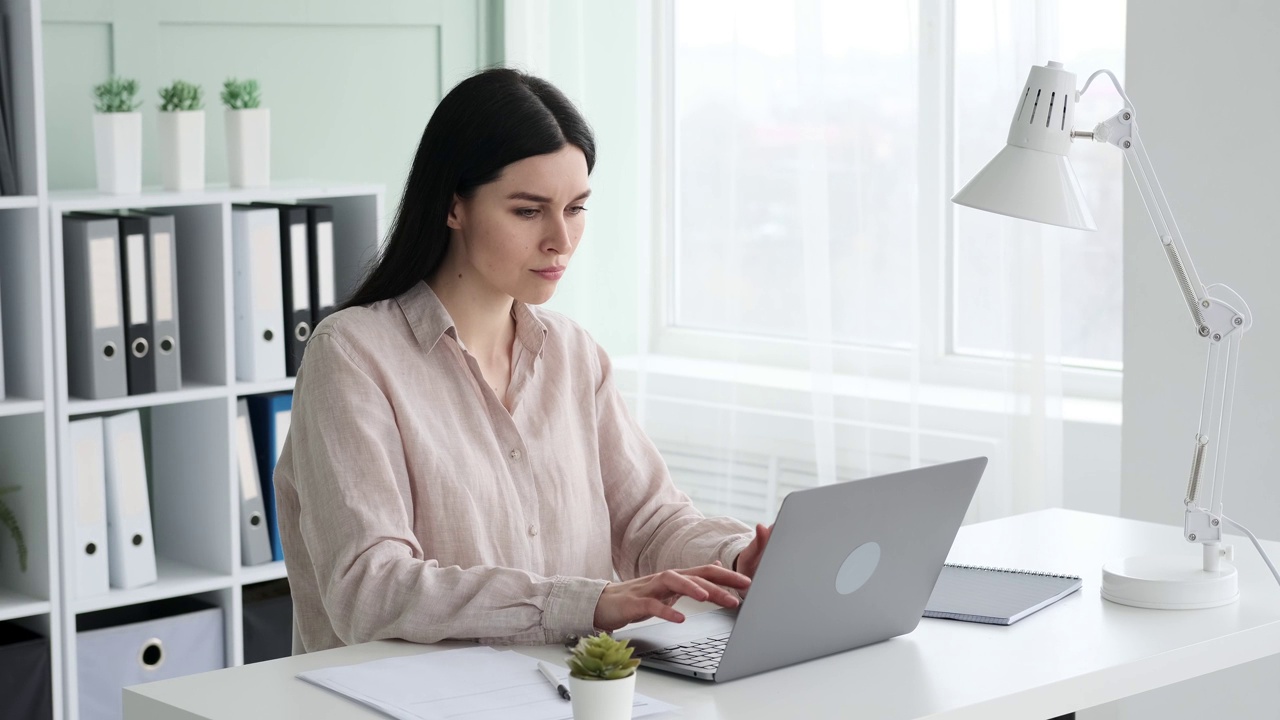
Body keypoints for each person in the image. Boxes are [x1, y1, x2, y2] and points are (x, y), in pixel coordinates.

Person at [273, 67, 773, 654]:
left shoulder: (573, 354)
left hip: (564, 689)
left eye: (577, 207)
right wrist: (582, 603)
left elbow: (649, 520)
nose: (561, 239)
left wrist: (741, 556)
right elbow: (369, 587)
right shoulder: (352, 355)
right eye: (529, 211)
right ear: (454, 206)